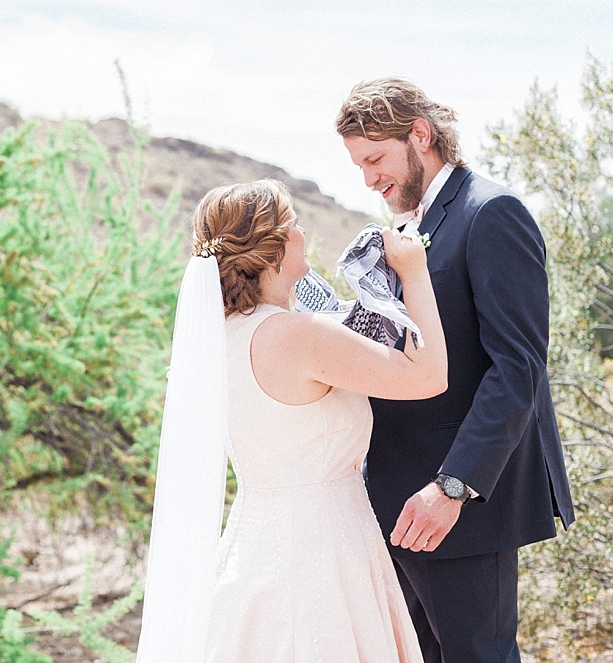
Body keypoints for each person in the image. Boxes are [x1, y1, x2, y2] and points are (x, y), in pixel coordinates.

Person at [137, 178, 447, 662]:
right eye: (295, 224)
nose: (304, 232)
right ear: (275, 249)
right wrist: (414, 272)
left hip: (254, 547)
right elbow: (428, 376)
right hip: (323, 554)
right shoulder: (299, 336)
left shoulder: (217, 338)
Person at [336, 77, 576, 663]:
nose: (368, 178)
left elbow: (517, 369)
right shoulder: (409, 228)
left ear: (420, 134)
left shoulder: (492, 213)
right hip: (394, 499)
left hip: (457, 504)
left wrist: (452, 487)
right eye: (358, 164)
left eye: (375, 158)